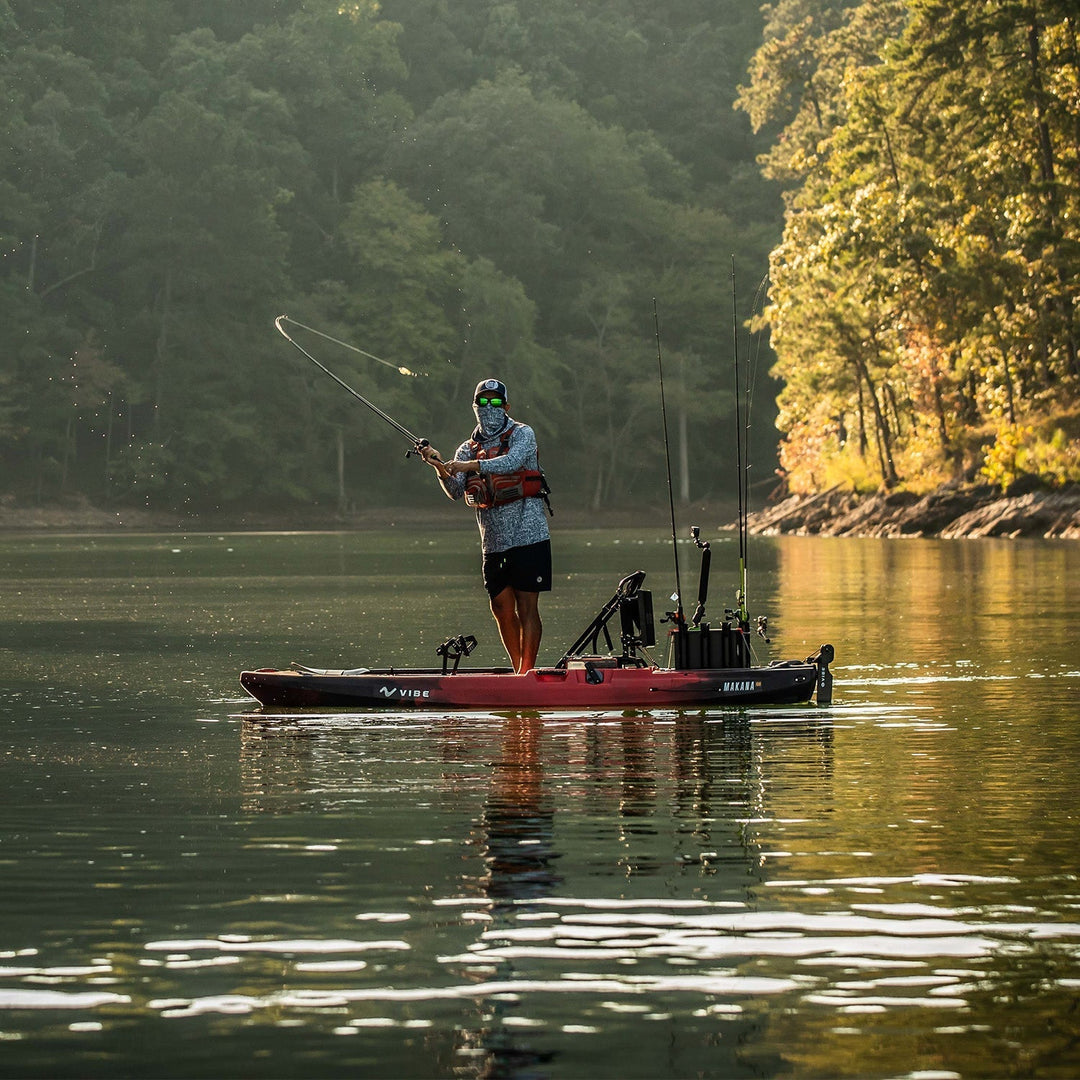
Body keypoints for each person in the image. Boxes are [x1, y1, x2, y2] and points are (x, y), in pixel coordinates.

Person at [420, 379, 551, 673]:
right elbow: (455, 490)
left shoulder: (523, 433)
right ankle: (517, 671)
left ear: (505, 406)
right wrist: (438, 465)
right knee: (501, 608)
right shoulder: (467, 448)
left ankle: (526, 674)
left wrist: (469, 467)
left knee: (527, 608)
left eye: (495, 402)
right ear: (475, 407)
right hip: (493, 541)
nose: (488, 408)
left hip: (529, 536)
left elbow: (512, 462)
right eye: (483, 402)